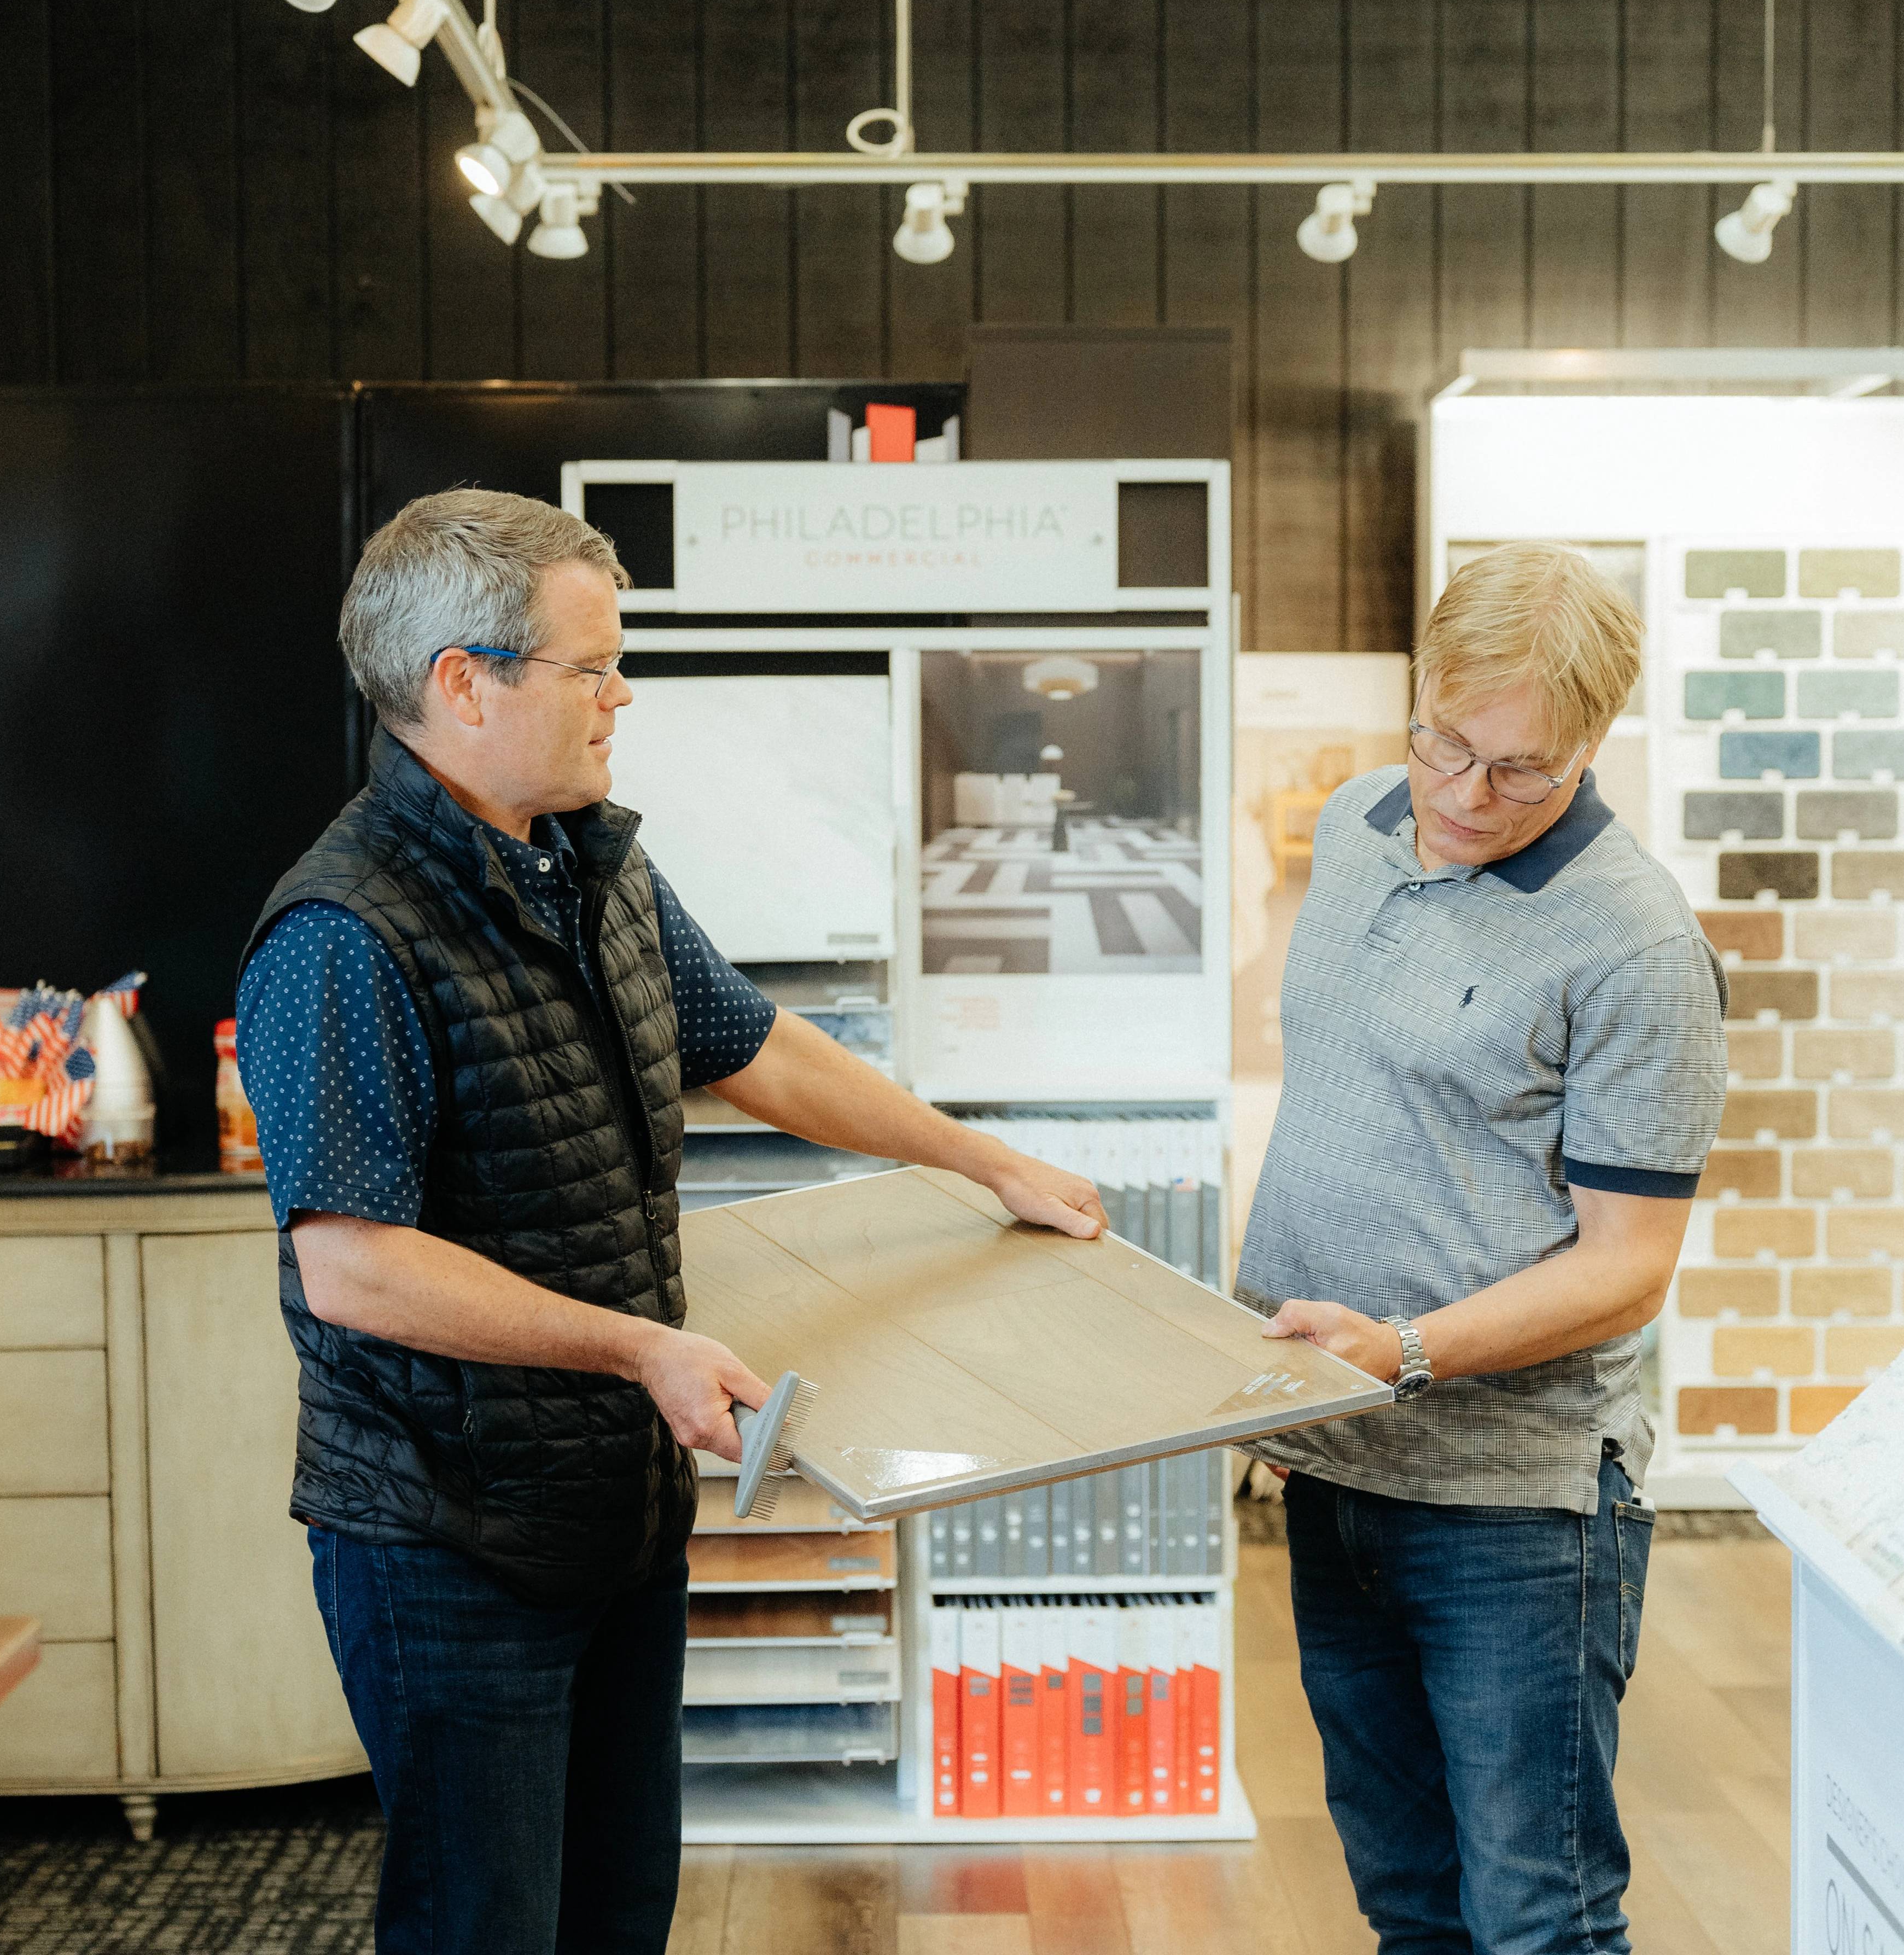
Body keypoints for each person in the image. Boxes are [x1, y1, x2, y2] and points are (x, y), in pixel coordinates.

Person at [235, 489, 1105, 1955]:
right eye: (591, 667)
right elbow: (356, 1269)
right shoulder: (343, 934)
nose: (620, 694)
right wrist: (639, 1349)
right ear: (464, 682)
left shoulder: (590, 861)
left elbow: (753, 1046)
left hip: (617, 1522)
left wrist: (979, 1161)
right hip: (452, 1545)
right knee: (484, 1927)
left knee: (619, 1911)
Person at [1236, 542, 1727, 1955]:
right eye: (1446, 744)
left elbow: (1629, 1263)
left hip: (1516, 1510)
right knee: (1406, 1901)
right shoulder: (1353, 823)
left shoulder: (1637, 948)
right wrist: (1301, 1386)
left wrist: (1401, 1354)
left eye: (1522, 771)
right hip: (1336, 1462)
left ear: (1592, 747)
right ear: (1421, 694)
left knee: (1539, 1918)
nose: (1465, 796)